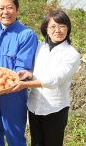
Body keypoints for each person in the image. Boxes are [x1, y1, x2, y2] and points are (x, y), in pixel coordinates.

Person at [10, 9, 80, 146]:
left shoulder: (71, 54)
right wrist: (29, 75)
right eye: (53, 26)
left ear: (68, 29)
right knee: (36, 143)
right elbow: (39, 72)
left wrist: (25, 85)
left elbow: (54, 79)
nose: (57, 30)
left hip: (55, 109)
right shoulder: (40, 47)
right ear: (46, 29)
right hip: (35, 106)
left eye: (62, 26)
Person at [0, 0, 38, 146]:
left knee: (14, 136)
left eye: (10, 7)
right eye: (1, 8)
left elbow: (22, 67)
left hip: (13, 94)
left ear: (17, 9)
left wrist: (6, 81)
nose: (5, 12)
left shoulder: (26, 35)